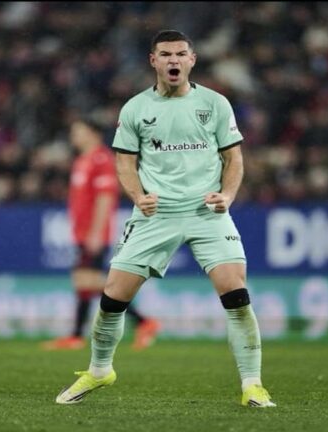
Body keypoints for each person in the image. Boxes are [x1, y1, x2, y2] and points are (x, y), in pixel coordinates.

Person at [55, 30, 276, 408]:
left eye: (180, 54)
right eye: (166, 54)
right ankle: (98, 370)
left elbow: (233, 158)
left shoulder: (216, 104)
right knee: (112, 298)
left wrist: (227, 196)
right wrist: (138, 197)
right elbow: (124, 161)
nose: (173, 60)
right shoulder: (135, 108)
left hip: (207, 213)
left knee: (236, 294)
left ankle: (252, 384)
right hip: (156, 215)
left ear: (192, 60)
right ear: (152, 61)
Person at [41, 118, 160, 351]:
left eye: (78, 130)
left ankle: (142, 322)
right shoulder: (81, 161)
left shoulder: (102, 159)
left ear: (93, 133)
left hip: (94, 233)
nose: (74, 135)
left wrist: (96, 232)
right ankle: (79, 335)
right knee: (85, 283)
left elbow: (106, 198)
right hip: (82, 232)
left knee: (85, 280)